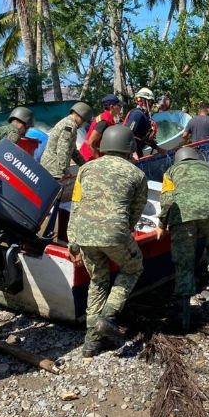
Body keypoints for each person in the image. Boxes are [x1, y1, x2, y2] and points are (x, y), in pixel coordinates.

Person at [67, 125, 148, 358]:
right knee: (133, 267)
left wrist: (73, 243)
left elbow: (77, 204)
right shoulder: (136, 174)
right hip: (115, 234)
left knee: (98, 282)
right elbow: (135, 212)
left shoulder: (86, 168)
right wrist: (122, 233)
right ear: (129, 147)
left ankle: (90, 344)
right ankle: (108, 317)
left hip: (83, 233)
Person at [156, 147, 209, 329]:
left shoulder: (171, 171)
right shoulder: (208, 167)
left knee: (184, 262)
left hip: (183, 217)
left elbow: (167, 200)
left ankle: (185, 312)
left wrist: (162, 224)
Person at [40, 102, 92, 180]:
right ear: (81, 116)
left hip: (51, 167)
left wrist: (85, 165)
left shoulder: (68, 123)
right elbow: (63, 150)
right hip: (54, 169)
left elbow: (73, 151)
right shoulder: (70, 126)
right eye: (84, 122)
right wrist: (63, 170)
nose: (82, 125)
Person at [80, 94, 122, 161]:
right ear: (112, 107)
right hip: (90, 157)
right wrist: (98, 161)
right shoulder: (104, 122)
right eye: (119, 105)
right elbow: (91, 143)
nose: (121, 107)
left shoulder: (108, 119)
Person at [123, 88, 160, 158]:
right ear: (143, 100)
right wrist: (133, 153)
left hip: (138, 151)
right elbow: (127, 134)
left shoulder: (144, 116)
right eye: (150, 102)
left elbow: (143, 138)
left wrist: (158, 148)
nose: (151, 105)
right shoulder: (137, 114)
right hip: (130, 154)